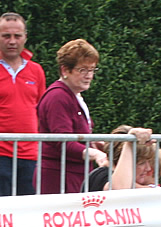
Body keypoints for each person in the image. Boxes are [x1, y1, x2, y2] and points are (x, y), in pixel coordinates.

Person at [0, 12, 46, 227]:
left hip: (31, 157)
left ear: (25, 37)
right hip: (0, 155)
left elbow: (39, 110)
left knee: (37, 221)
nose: (12, 40)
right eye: (6, 35)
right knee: (1, 220)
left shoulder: (36, 71)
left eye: (17, 35)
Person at [36, 38, 107, 195]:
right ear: (65, 70)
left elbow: (76, 136)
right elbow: (63, 141)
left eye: (92, 70)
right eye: (82, 70)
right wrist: (95, 153)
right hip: (59, 177)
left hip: (73, 174)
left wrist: (94, 143)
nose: (89, 76)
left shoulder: (73, 95)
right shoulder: (58, 97)